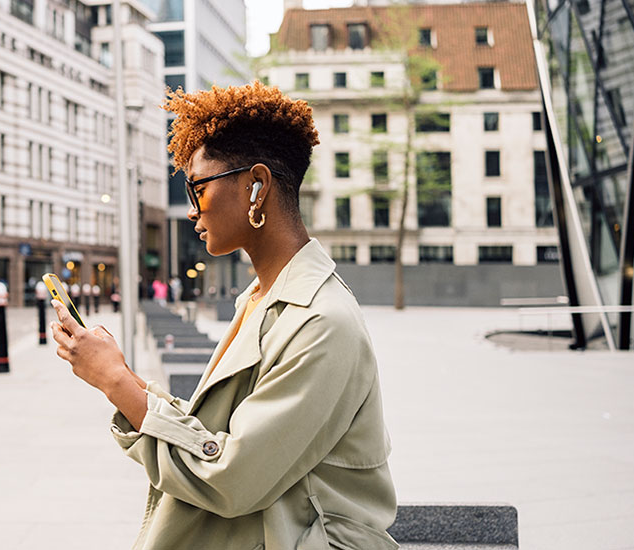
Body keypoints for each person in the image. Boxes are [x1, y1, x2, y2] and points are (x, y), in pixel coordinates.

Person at [50, 81, 396, 549]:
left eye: (198, 188)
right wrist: (120, 373)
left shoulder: (321, 321)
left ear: (256, 186)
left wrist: (114, 381)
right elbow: (216, 434)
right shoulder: (261, 298)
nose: (193, 211)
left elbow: (231, 476)